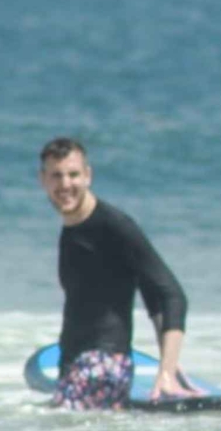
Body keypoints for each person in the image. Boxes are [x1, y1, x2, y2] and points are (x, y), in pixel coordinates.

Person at [38, 137, 188, 410]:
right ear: (43, 180)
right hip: (76, 365)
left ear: (88, 176)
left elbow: (169, 293)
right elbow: (147, 289)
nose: (65, 185)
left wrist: (167, 370)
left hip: (104, 365)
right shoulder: (72, 226)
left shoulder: (114, 225)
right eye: (56, 176)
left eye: (73, 175)